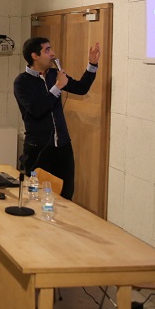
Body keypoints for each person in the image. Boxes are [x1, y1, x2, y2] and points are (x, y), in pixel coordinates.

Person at [13, 37, 100, 200]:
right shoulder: (22, 82)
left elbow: (81, 88)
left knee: (66, 194)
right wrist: (58, 86)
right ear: (34, 56)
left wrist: (92, 65)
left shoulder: (54, 74)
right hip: (38, 148)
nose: (52, 54)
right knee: (35, 196)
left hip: (62, 146)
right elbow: (36, 110)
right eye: (47, 50)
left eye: (51, 49)